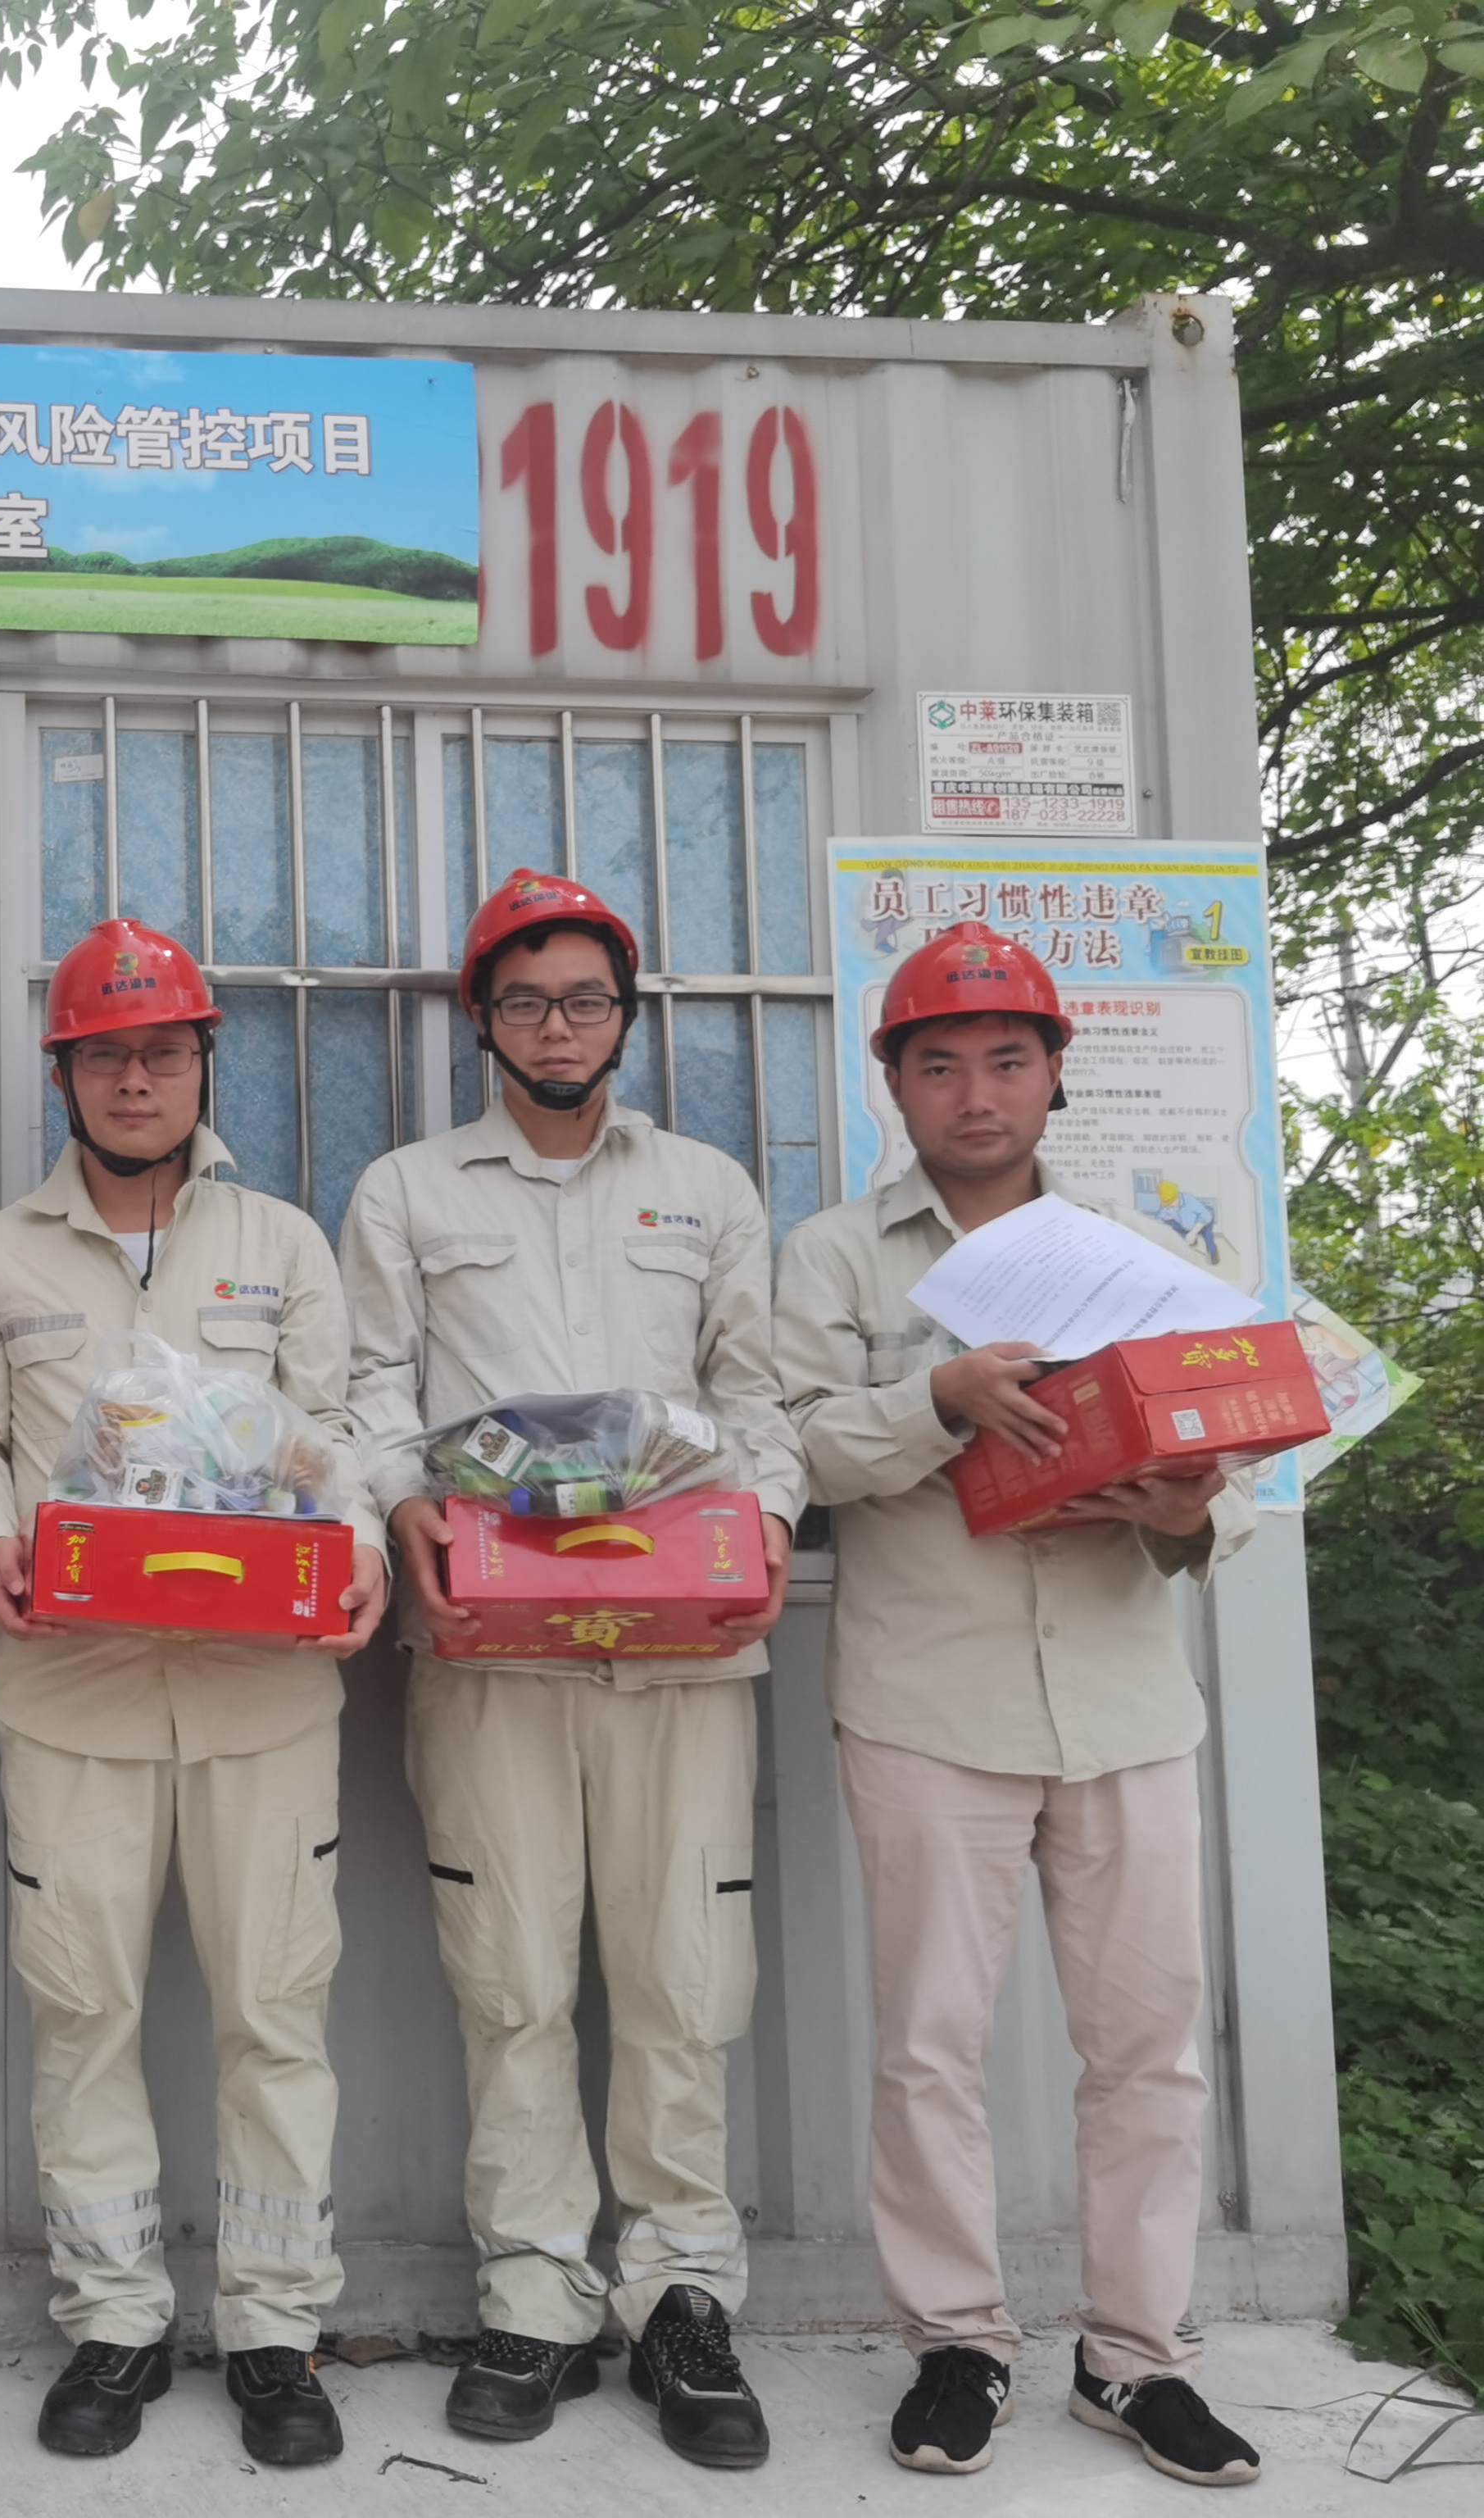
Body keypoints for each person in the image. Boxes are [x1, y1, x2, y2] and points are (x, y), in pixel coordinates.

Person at [774, 923, 1262, 2488]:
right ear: (894, 1086)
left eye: (1005, 1059)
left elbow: (1227, 1489)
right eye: (939, 1064)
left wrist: (1178, 1502)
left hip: (1126, 1703)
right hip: (928, 1699)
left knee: (1150, 2049)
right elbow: (796, 1450)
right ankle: (959, 2344)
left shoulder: (1137, 1259)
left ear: (1056, 1074)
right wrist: (939, 1397)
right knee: (932, 2046)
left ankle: (1137, 2358)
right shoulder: (836, 1258)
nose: (974, 1093)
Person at [340, 869, 801, 2469]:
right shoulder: (406, 1193)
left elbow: (757, 1400)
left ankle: (682, 2300)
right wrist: (400, 1506)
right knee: (511, 1978)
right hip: (492, 1645)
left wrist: (763, 1530)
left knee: (682, 1981)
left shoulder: (705, 1191)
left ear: (624, 1017)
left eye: (585, 999)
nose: (557, 1027)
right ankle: (533, 2297)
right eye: (526, 999)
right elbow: (367, 1390)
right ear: (482, 1018)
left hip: (682, 1653)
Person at [0, 920, 389, 2466]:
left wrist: (360, 1550)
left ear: (206, 1065)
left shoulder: (284, 1243)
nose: (135, 1080)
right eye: (105, 1056)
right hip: (70, 1692)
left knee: (277, 2012)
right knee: (84, 2011)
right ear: (63, 1075)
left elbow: (337, 1433)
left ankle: (276, 2328)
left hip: (265, 1694)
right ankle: (114, 2321)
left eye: (162, 1052)